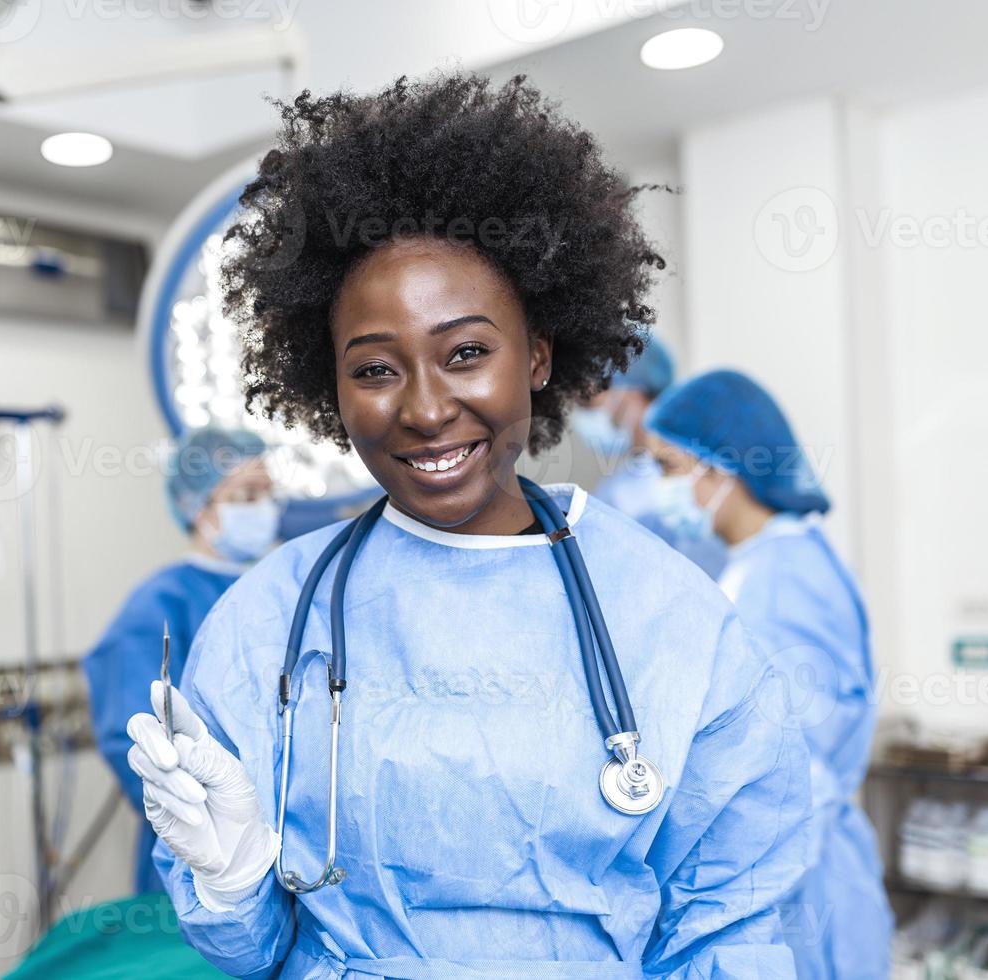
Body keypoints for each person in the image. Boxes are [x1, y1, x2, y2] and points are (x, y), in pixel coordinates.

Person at [124, 73, 811, 977]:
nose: (425, 409)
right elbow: (252, 953)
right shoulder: (268, 626)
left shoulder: (669, 619)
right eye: (374, 369)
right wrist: (232, 883)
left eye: (467, 353)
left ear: (538, 356)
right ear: (328, 388)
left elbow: (736, 928)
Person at [644, 369, 892, 980]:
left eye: (669, 468)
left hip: (801, 895)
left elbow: (797, 770)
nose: (660, 491)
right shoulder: (763, 565)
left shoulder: (785, 582)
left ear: (720, 468)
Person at [82, 426, 281, 895]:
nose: (264, 509)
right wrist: (206, 815)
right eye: (245, 495)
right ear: (197, 505)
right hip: (200, 853)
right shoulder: (159, 606)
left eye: (269, 494)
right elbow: (135, 744)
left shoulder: (280, 588)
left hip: (288, 841)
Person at [570, 336, 727, 578]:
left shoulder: (693, 470)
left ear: (631, 392)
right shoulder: (621, 485)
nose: (583, 415)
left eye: (588, 401)